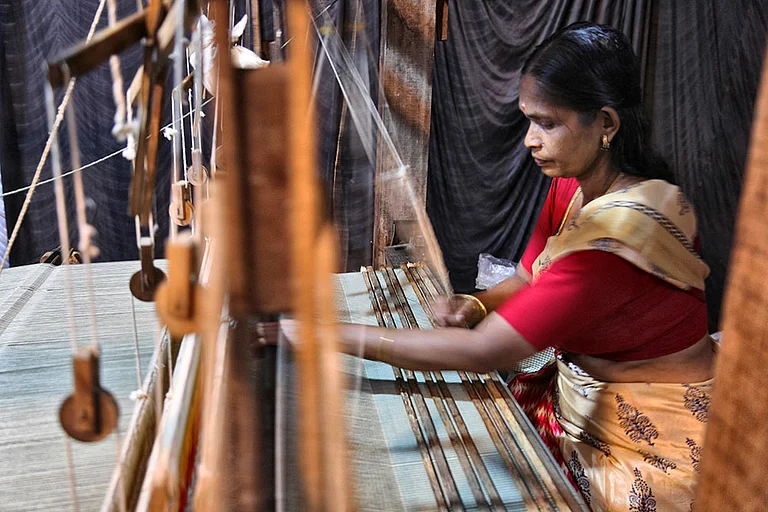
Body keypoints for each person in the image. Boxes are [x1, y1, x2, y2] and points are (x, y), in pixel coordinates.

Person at [279, 22, 713, 511]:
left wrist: (325, 335)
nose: (530, 140)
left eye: (547, 123)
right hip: (583, 396)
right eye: (528, 120)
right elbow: (528, 277)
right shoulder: (577, 187)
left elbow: (485, 352)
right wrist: (478, 302)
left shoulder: (619, 236)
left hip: (649, 435)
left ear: (606, 123)